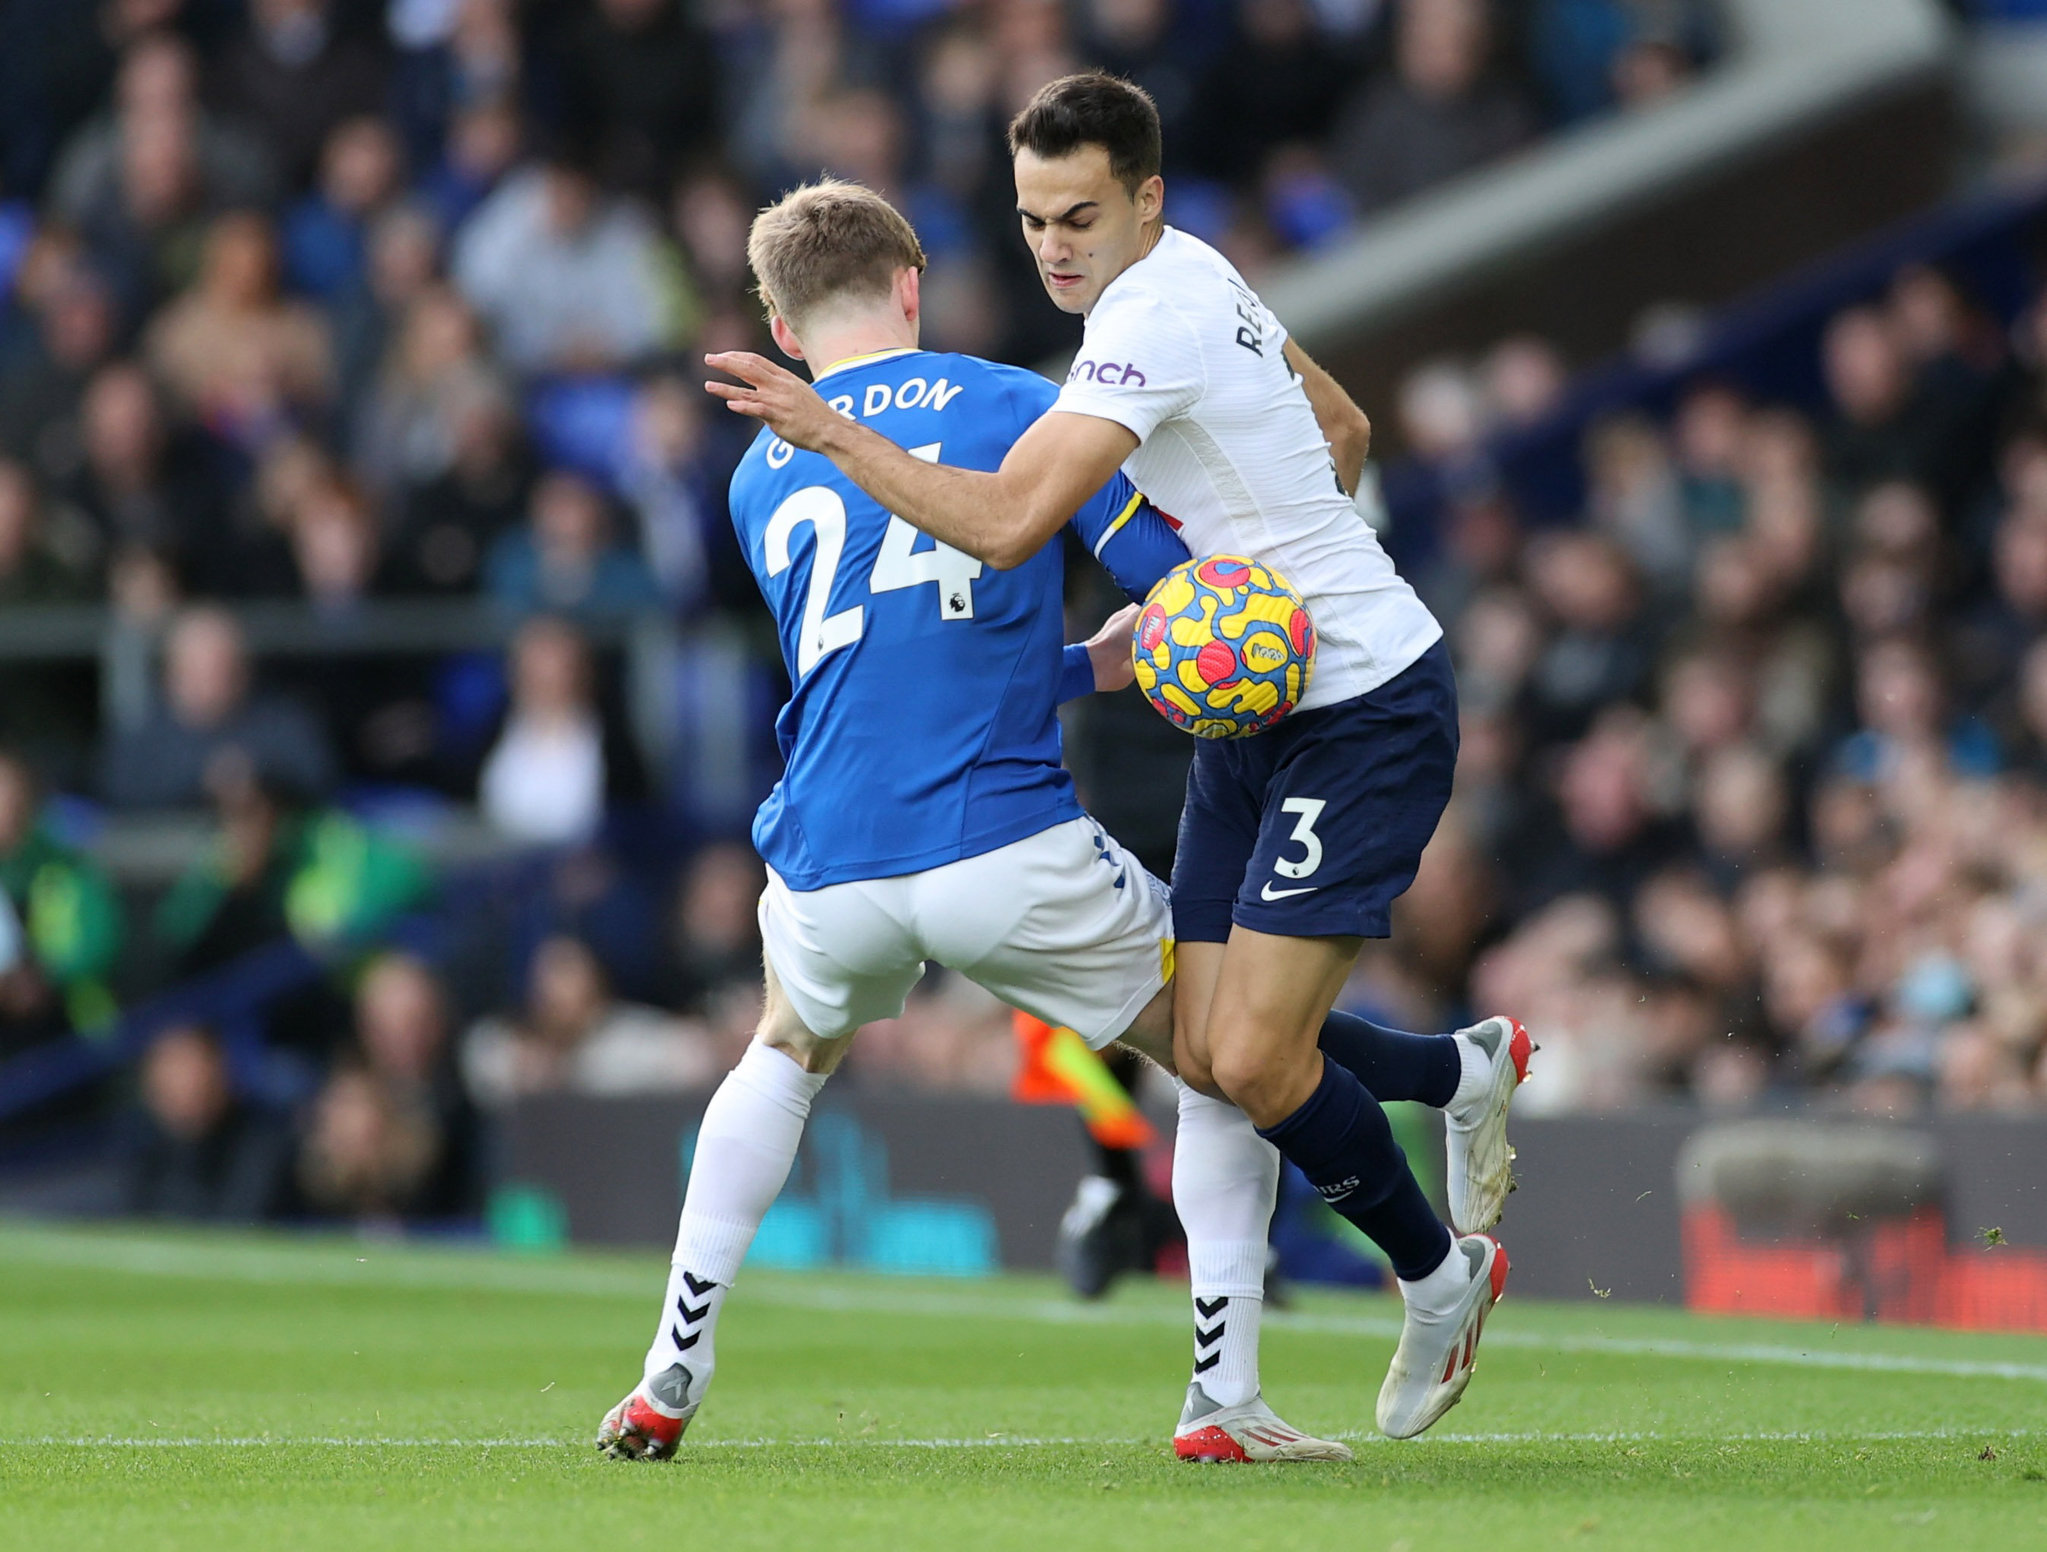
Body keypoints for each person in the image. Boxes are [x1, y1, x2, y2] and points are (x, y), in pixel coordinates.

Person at [702, 74, 1530, 1445]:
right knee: (1208, 1055)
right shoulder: (1201, 275)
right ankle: (1455, 1076)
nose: (1053, 248)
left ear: (1146, 197)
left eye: (1079, 215)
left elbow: (1010, 521)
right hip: (1246, 710)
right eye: (1030, 221)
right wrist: (1253, 590)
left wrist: (831, 427)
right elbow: (1341, 433)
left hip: (1364, 706)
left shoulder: (1145, 321)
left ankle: (1439, 1277)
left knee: (1254, 1065)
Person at [597, 179, 1352, 1466]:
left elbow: (880, 664)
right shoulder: (1017, 403)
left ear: (782, 331)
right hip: (1002, 840)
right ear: (909, 287)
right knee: (1223, 1054)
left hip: (829, 860)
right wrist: (1184, 634)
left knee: (781, 1050)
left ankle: (670, 1367)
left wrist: (1077, 668)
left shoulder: (759, 470)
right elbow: (1175, 580)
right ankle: (1222, 1397)